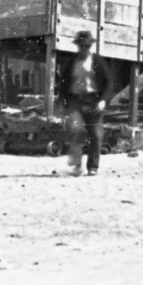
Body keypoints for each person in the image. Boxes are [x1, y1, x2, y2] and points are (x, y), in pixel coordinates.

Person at [61, 30, 104, 177]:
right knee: (75, 130)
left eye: (86, 46)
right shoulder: (72, 62)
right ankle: (76, 165)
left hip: (93, 100)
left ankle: (93, 167)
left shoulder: (96, 61)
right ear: (78, 46)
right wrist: (64, 102)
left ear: (90, 46)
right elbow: (64, 82)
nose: (84, 49)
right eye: (81, 46)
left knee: (95, 134)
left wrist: (103, 100)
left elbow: (108, 82)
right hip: (75, 100)